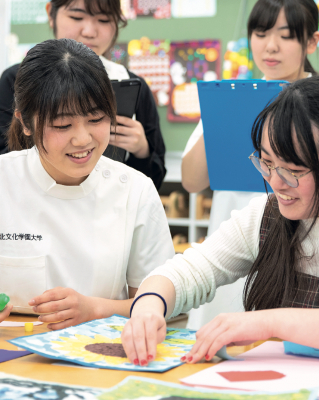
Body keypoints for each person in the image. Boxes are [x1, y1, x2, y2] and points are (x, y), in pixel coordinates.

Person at [0, 39, 174, 335]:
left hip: (103, 359)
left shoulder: (135, 190)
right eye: (63, 125)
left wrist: (96, 309)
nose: (82, 139)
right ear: (25, 122)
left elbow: (161, 300)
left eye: (96, 119)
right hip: (7, 357)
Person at [121, 75, 319, 365]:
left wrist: (268, 323)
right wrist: (150, 306)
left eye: (293, 170)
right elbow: (192, 270)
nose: (276, 182)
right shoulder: (266, 215)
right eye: (266, 162)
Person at [181, 0, 319, 330]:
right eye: (260, 33)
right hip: (234, 246)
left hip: (300, 255)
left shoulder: (314, 106)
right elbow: (190, 181)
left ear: (311, 42)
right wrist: (224, 113)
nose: (270, 46)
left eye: (286, 36)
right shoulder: (228, 94)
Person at [0, 0, 166, 190]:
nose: (89, 31)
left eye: (104, 20)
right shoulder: (16, 80)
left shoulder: (132, 84)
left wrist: (142, 151)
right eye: (76, 17)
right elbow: (1, 168)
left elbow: (152, 183)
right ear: (51, 14)